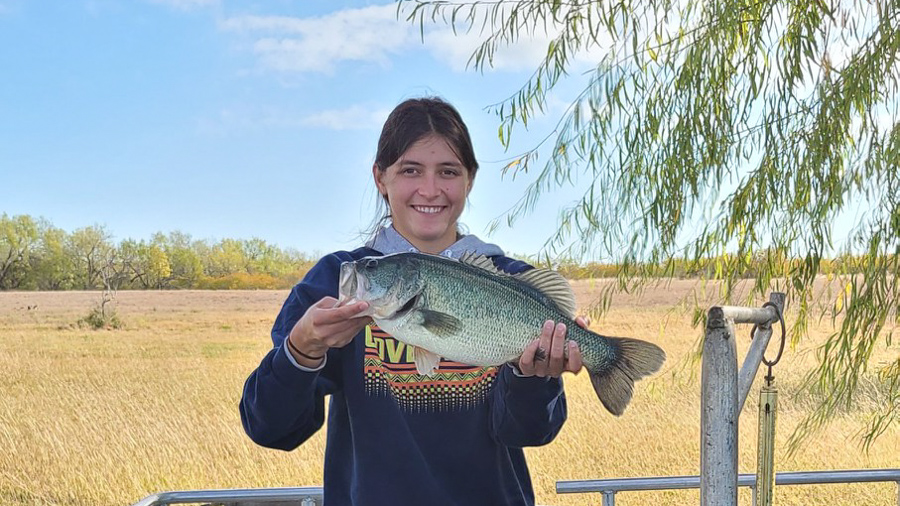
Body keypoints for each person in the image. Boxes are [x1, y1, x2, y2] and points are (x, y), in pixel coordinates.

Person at [240, 96, 586, 506]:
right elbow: (271, 428)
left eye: (448, 172)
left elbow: (530, 431)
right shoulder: (336, 283)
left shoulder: (510, 283)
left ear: (470, 181)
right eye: (410, 170)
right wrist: (302, 350)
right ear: (380, 178)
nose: (430, 189)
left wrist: (532, 377)